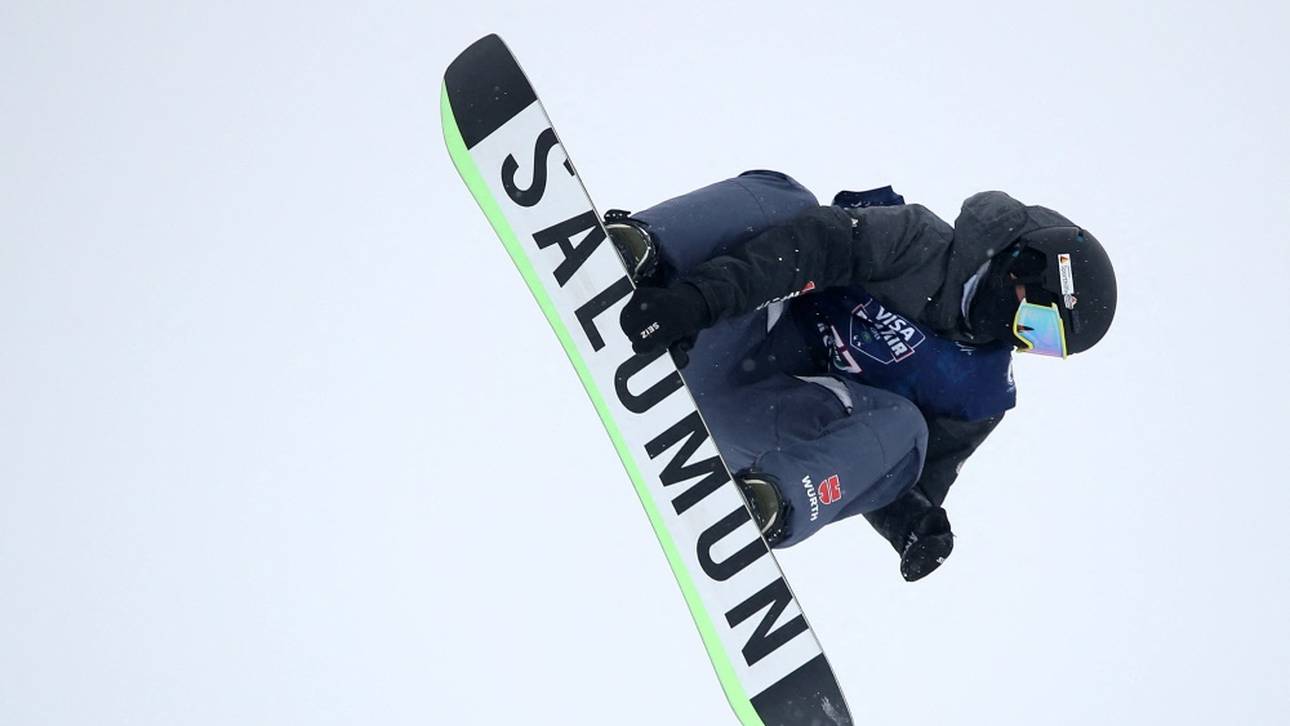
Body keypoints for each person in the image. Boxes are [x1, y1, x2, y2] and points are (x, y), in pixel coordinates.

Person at [610, 170, 1117, 581]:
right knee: (786, 198)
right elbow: (809, 248)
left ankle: (774, 502)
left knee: (907, 428)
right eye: (1037, 325)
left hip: (760, 421)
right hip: (714, 335)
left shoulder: (980, 394)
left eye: (1043, 345)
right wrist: (699, 300)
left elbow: (890, 472)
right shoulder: (919, 243)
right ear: (1021, 269)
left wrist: (913, 524)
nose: (1022, 340)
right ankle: (642, 250)